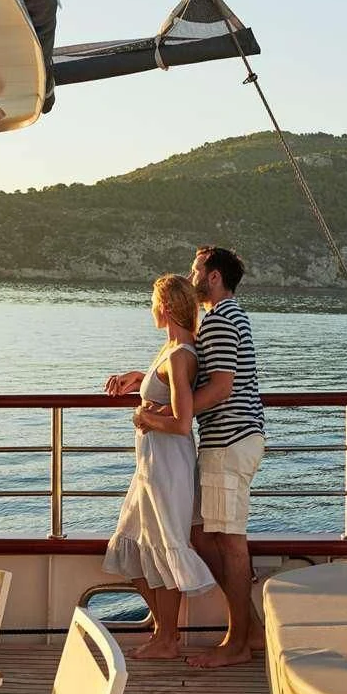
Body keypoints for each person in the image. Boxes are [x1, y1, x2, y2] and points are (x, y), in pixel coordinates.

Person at [108, 245, 265, 668]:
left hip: (230, 441)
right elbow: (188, 368)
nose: (191, 275)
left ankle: (238, 642)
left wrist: (162, 415)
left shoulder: (223, 319)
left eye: (197, 269)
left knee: (230, 543)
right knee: (205, 537)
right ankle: (247, 630)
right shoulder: (217, 322)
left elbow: (222, 387)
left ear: (213, 277)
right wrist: (150, 383)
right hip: (222, 441)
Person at [101, 274, 216, 659]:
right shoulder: (171, 349)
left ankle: (167, 638)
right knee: (133, 544)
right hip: (152, 467)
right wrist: (139, 379)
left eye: (153, 302)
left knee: (161, 544)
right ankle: (164, 630)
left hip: (167, 466)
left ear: (164, 307)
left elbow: (182, 423)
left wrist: (145, 419)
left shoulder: (180, 356)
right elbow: (164, 387)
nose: (151, 308)